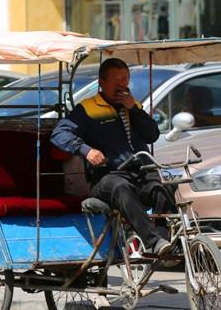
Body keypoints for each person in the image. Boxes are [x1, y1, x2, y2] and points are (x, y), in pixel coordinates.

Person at [51, 58, 173, 256]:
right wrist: (86, 150)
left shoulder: (133, 106)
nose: (121, 84)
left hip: (140, 173)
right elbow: (59, 134)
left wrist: (133, 109)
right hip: (107, 178)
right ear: (101, 81)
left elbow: (152, 135)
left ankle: (164, 243)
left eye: (125, 79)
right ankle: (151, 241)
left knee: (162, 187)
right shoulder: (88, 109)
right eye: (115, 79)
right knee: (121, 187)